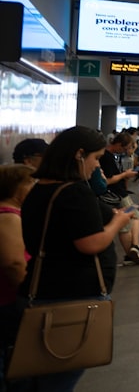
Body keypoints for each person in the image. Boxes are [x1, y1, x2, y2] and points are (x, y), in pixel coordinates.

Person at [17, 126, 132, 390]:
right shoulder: (74, 192)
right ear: (79, 155)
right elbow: (90, 243)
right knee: (58, 378)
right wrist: (118, 223)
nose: (96, 166)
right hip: (69, 297)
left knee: (38, 373)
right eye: (95, 158)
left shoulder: (38, 189)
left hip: (42, 288)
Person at [0, 165, 33, 391]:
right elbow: (13, 263)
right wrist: (28, 292)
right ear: (17, 188)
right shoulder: (8, 217)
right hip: (8, 301)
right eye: (32, 184)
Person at [100, 133, 139, 264]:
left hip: (119, 193)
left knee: (133, 216)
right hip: (118, 194)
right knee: (130, 220)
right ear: (118, 144)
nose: (126, 151)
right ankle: (134, 249)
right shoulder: (107, 157)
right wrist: (125, 174)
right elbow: (108, 180)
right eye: (125, 148)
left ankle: (133, 250)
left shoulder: (110, 156)